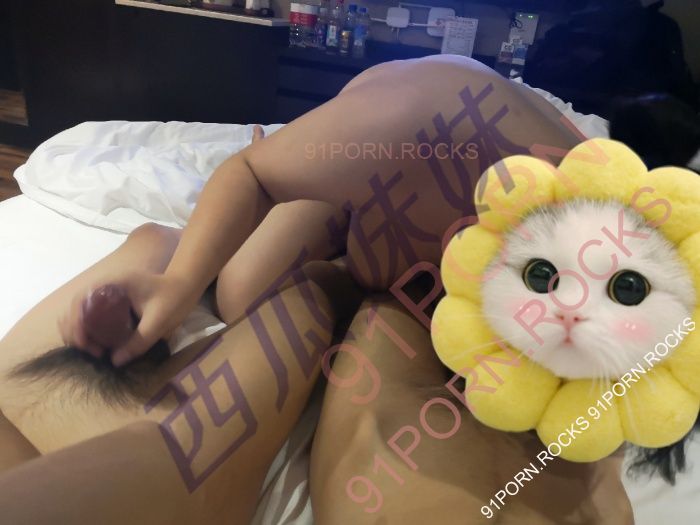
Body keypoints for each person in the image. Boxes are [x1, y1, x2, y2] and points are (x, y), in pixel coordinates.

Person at [0, 55, 632, 523]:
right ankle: (159, 241)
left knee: (369, 307)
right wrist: (178, 280)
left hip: (440, 233)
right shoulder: (409, 125)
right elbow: (250, 174)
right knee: (242, 290)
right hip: (382, 176)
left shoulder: (604, 266)